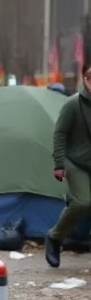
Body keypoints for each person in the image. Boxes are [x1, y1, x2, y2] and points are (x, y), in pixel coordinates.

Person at [46, 64, 91, 268]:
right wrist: (59, 163)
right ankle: (55, 238)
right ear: (85, 80)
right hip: (76, 162)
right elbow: (60, 133)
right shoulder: (74, 104)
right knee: (83, 202)